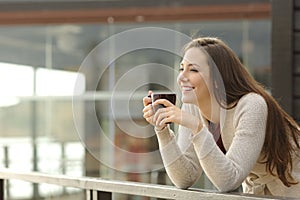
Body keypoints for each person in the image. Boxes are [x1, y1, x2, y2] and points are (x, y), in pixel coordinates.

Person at [142, 37, 300, 198]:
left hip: (292, 186)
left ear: (218, 79)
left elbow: (228, 181)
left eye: (193, 70)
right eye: (182, 68)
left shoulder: (252, 105)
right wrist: (162, 130)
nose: (181, 77)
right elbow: (184, 178)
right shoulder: (192, 105)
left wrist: (197, 127)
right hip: (256, 192)